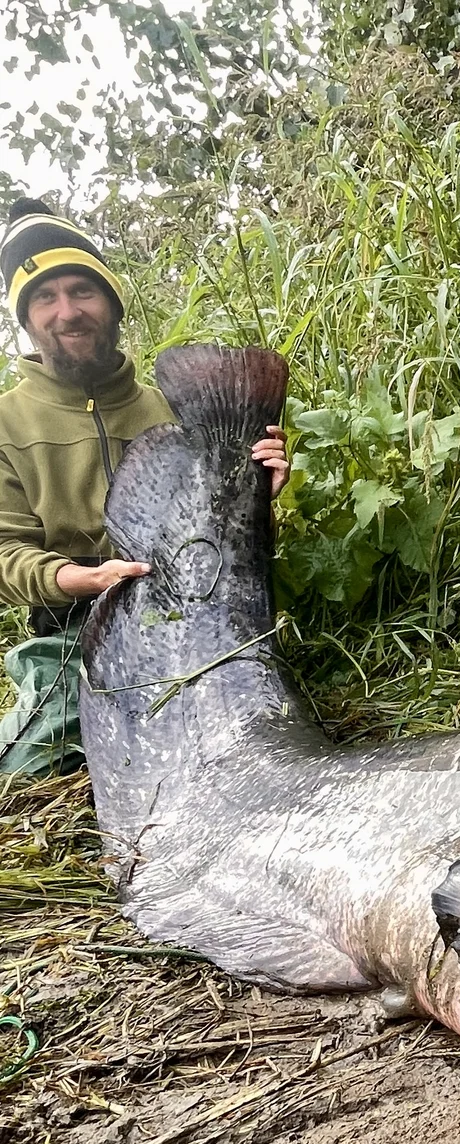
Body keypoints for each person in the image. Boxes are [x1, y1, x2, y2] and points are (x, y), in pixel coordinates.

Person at [0, 198, 289, 775]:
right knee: (35, 763)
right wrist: (82, 579)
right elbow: (5, 554)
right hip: (73, 627)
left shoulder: (175, 412)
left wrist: (259, 494)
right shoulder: (6, 423)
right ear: (26, 320)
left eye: (82, 291)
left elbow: (228, 552)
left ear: (111, 303)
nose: (67, 312)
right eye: (45, 298)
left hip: (199, 609)